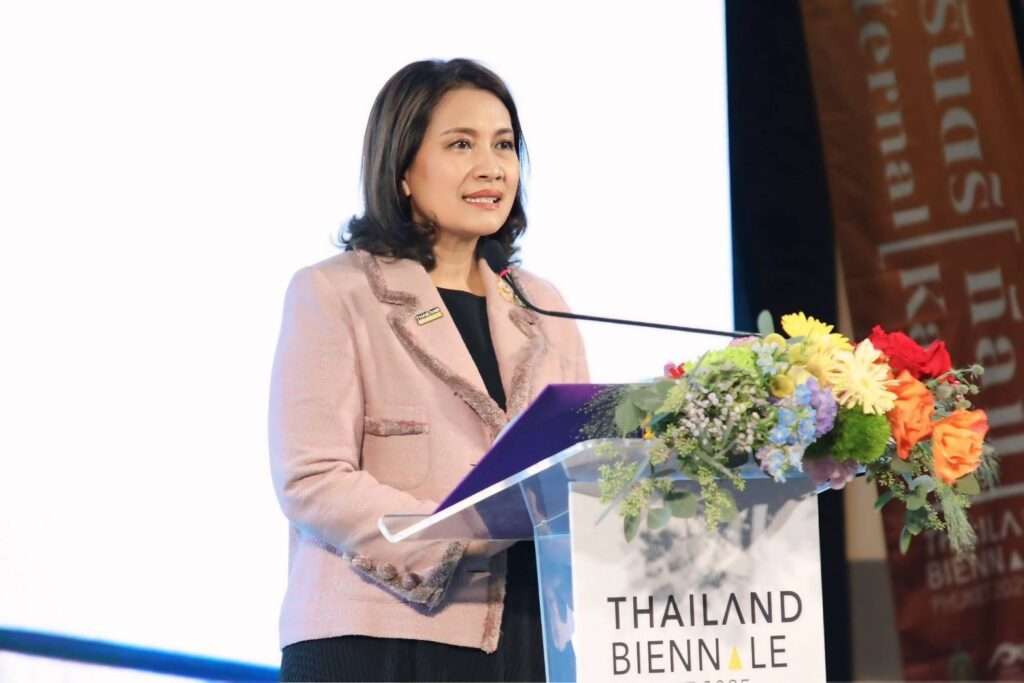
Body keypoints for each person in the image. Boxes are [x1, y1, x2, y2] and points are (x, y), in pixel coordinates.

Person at [268, 58, 589, 682]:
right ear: (402, 170)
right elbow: (311, 479)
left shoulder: (543, 305)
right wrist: (459, 531)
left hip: (528, 637)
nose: (492, 167)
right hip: (378, 637)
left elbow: (571, 472)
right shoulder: (335, 293)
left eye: (504, 145)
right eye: (461, 144)